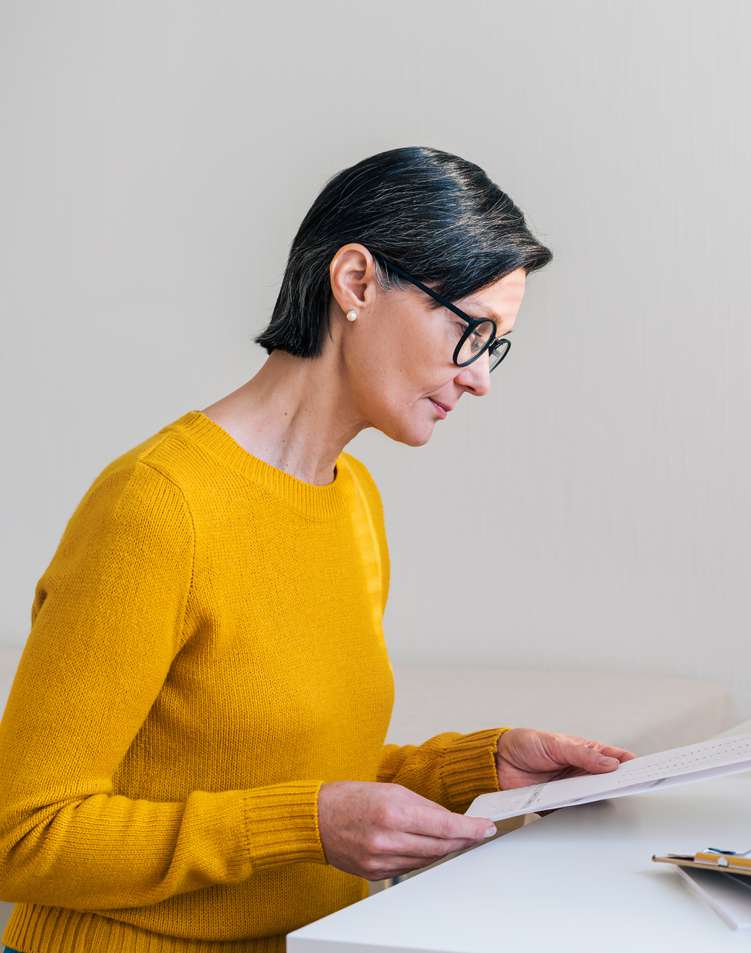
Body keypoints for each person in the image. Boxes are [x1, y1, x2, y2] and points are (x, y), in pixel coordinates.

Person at [0, 147, 635, 953]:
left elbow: (305, 774)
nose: (481, 379)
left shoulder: (353, 496)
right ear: (357, 281)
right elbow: (22, 834)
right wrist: (305, 824)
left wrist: (483, 768)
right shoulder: (157, 504)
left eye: (495, 344)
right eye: (470, 330)